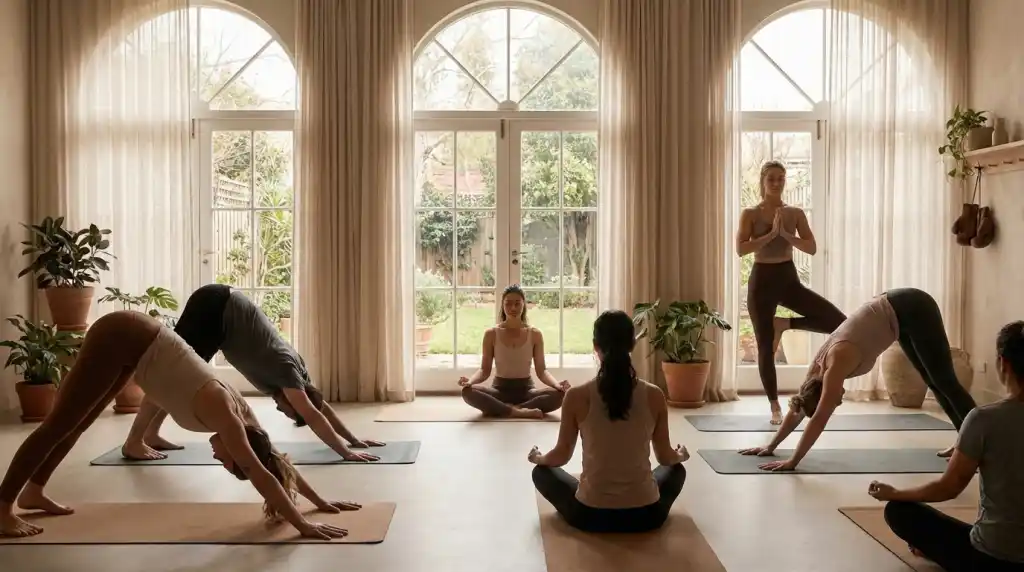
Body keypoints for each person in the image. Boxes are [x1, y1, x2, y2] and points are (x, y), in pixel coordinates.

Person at [0, 311, 358, 539]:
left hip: (137, 348)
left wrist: (320, 501)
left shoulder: (249, 425)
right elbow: (259, 472)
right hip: (124, 335)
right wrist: (303, 525)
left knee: (76, 425)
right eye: (227, 461)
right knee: (58, 425)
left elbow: (274, 463)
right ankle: (2, 508)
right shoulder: (229, 418)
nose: (219, 459)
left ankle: (34, 492)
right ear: (238, 452)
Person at [121, 284, 382, 463]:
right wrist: (344, 452)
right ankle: (135, 442)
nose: (282, 412)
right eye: (289, 411)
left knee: (175, 377)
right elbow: (313, 413)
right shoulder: (286, 373)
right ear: (294, 400)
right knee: (171, 377)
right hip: (217, 308)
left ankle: (150, 435)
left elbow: (319, 406)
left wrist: (353, 440)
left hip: (222, 318)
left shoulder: (296, 378)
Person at [738, 287, 976, 471]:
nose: (839, 402)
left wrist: (793, 461)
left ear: (825, 391)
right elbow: (800, 406)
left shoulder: (835, 364)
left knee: (945, 381)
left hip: (913, 306)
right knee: (933, 382)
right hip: (898, 315)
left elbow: (819, 419)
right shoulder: (815, 374)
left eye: (834, 400)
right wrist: (771, 446)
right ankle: (963, 442)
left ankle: (980, 442)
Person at [867, 321, 1024, 571]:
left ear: (1003, 364)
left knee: (899, 511)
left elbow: (947, 489)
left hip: (993, 559)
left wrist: (893, 493)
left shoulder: (984, 419)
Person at [528, 310, 688, 533]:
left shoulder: (577, 396)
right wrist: (680, 454)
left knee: (540, 472)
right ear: (632, 344)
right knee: (677, 470)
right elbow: (665, 457)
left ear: (595, 346)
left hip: (590, 516)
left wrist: (539, 457)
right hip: (647, 515)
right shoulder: (654, 395)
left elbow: (561, 456)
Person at [736, 160, 845, 425]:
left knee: (839, 322)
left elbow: (811, 248)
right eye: (771, 178)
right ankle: (774, 406)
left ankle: (784, 323)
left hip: (787, 278)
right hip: (762, 281)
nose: (776, 183)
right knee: (764, 346)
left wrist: (786, 234)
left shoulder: (794, 213)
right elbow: (741, 249)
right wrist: (770, 235)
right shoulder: (750, 213)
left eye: (781, 178)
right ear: (763, 180)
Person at [459, 284, 568, 419]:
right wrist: (470, 382)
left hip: (526, 391)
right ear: (502, 306)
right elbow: (484, 371)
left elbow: (542, 371)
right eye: (508, 304)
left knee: (560, 395)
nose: (513, 308)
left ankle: (503, 409)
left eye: (517, 303)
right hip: (499, 391)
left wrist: (557, 385)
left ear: (524, 305)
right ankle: (518, 412)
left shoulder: (535, 334)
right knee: (467, 392)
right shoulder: (491, 334)